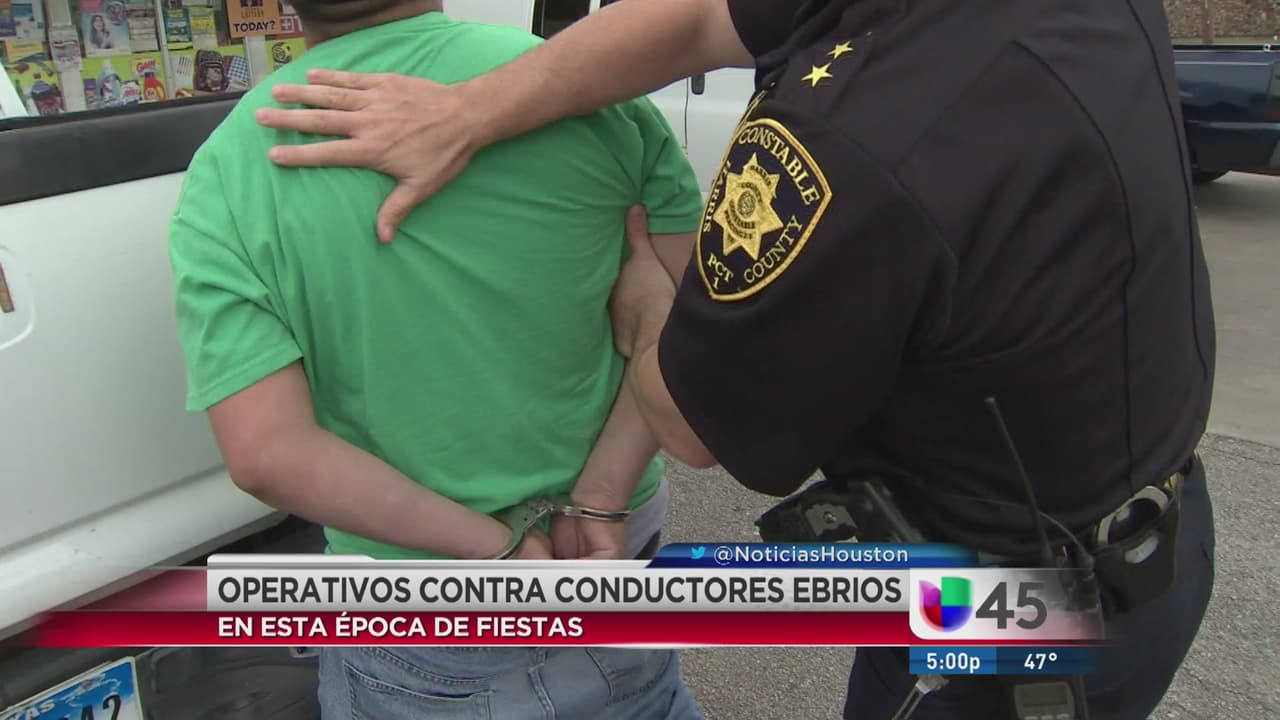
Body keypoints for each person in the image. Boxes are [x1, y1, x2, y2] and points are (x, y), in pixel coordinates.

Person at [254, 0, 1219, 718]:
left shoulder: (851, 142)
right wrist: (473, 109)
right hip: (1146, 516)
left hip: (1012, 606)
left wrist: (649, 307)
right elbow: (694, 20)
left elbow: (687, 415)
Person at [167, 1, 707, 718]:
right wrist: (601, 491)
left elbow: (268, 453)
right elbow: (705, 328)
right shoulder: (588, 91)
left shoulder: (230, 167)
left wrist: (496, 551)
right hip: (613, 542)